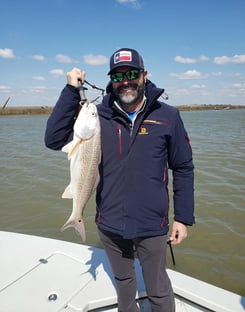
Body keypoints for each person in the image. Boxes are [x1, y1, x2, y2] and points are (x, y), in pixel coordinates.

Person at [45, 48, 195, 312]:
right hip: (110, 223)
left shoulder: (168, 115)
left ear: (144, 75)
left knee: (158, 290)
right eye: (118, 76)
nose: (125, 81)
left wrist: (182, 217)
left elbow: (183, 167)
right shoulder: (97, 114)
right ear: (111, 80)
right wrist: (71, 91)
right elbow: (54, 139)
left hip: (153, 224)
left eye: (132, 73)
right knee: (124, 282)